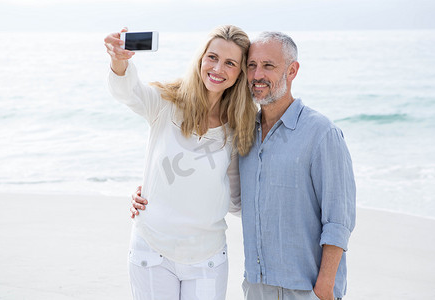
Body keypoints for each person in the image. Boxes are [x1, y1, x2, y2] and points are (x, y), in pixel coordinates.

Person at [132, 31, 356, 300]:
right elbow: (231, 195)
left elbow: (338, 221)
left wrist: (325, 288)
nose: (257, 75)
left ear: (292, 70)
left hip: (305, 288)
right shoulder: (243, 133)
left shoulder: (321, 133)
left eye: (268, 66)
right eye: (251, 66)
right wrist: (154, 189)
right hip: (257, 286)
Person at [105, 25, 257, 300]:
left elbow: (235, 199)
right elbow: (128, 92)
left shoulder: (239, 126)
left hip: (207, 258)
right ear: (201, 58)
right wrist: (119, 61)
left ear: (240, 73)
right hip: (151, 251)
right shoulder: (167, 102)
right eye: (212, 57)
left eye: (230, 63)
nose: (218, 68)